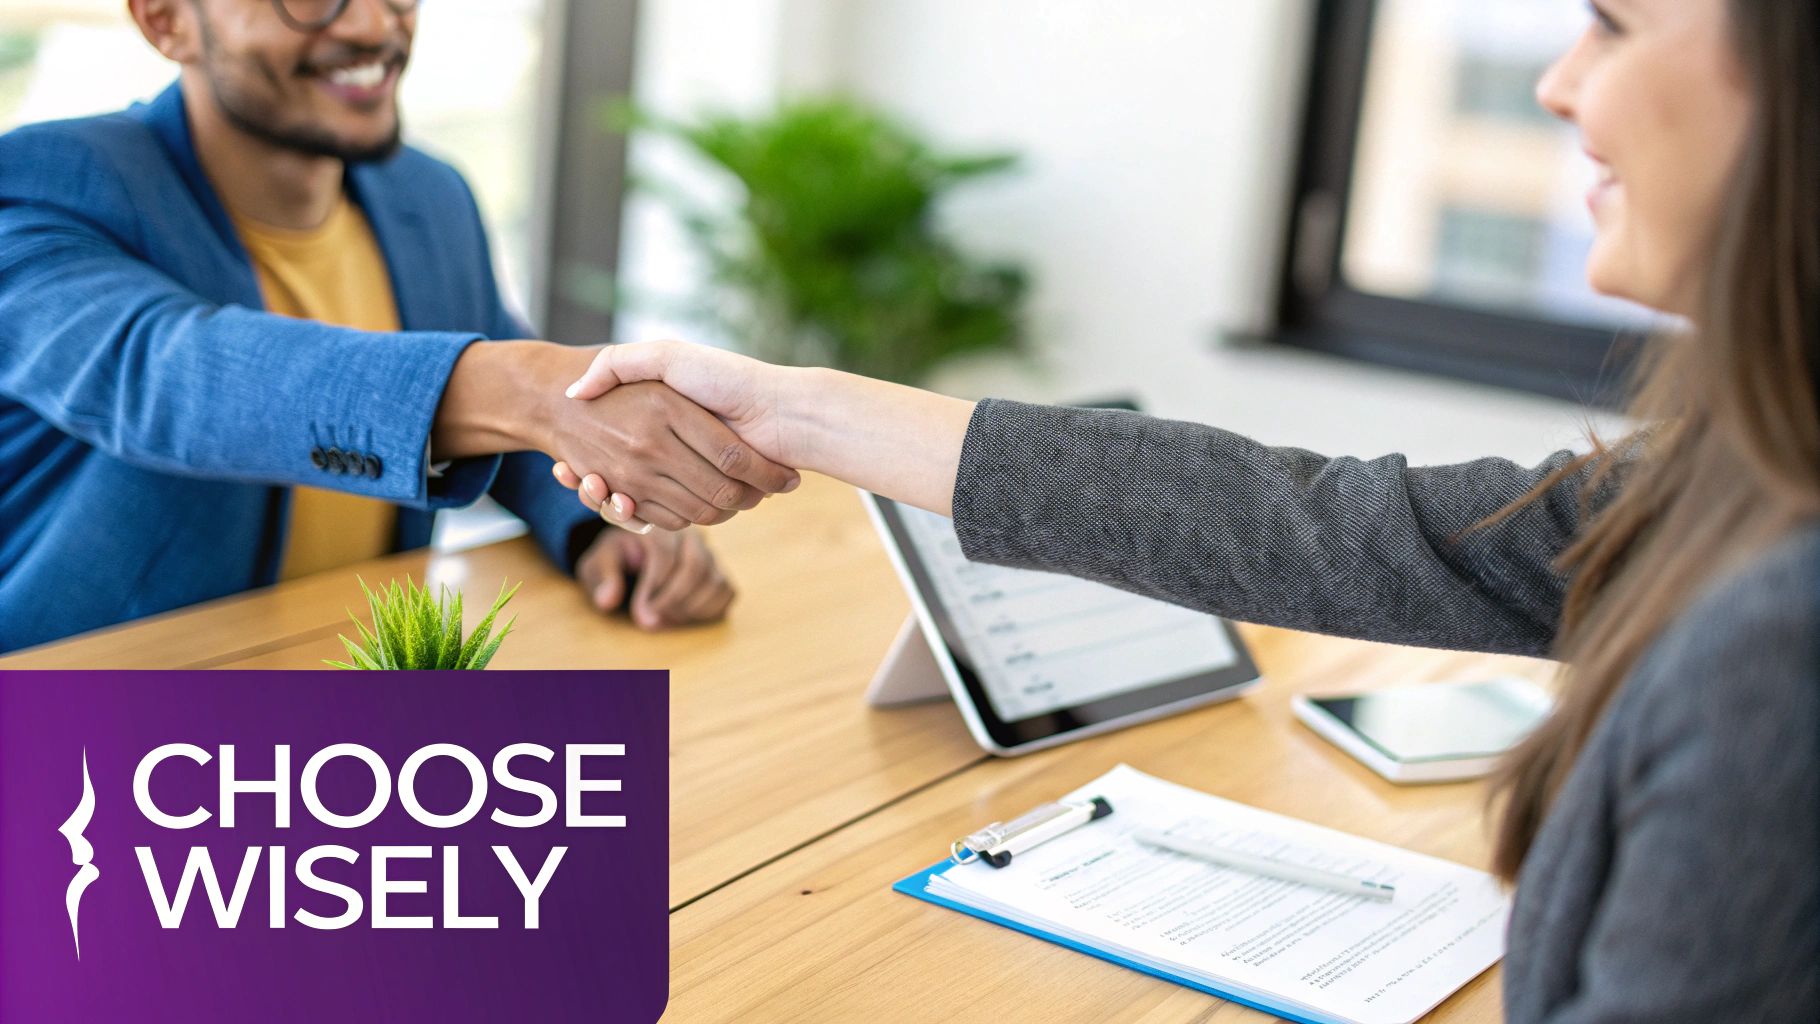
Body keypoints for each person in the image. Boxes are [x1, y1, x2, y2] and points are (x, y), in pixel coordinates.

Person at [554, 0, 1819, 1019]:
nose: (1554, 83)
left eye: (1606, 21)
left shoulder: (1778, 642)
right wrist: (799, 410)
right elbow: (1330, 526)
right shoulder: (1744, 476)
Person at [0, 0, 800, 653]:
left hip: (353, 716)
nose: (373, 25)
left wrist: (595, 527)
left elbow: (496, 420)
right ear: (166, 20)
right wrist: (532, 390)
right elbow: (165, 370)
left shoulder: (430, 196)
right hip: (85, 734)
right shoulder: (46, 184)